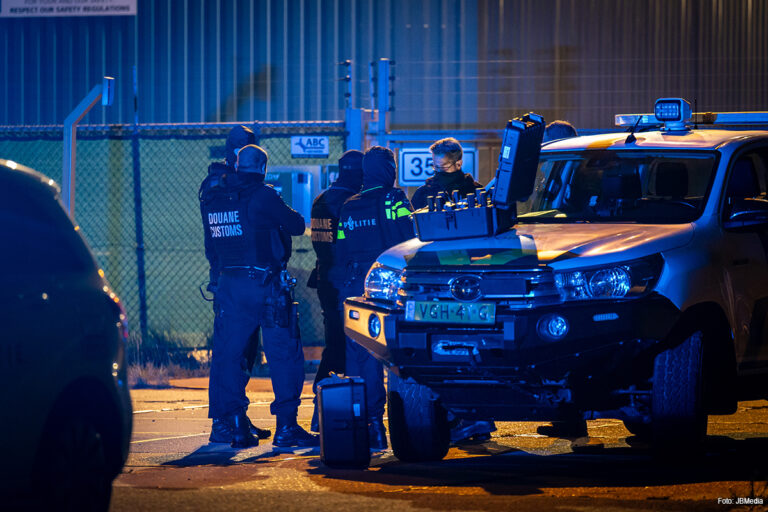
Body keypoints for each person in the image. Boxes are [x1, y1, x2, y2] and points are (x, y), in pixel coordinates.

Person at [200, 144, 318, 449]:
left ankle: (236, 425)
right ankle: (287, 427)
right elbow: (295, 225)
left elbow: (211, 244)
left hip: (229, 285)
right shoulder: (263, 194)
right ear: (262, 168)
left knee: (229, 355)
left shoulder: (214, 197)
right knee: (284, 354)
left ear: (238, 164)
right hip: (265, 285)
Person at [335, 146, 415, 450]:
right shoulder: (394, 199)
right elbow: (409, 239)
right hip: (386, 285)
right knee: (397, 354)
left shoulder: (348, 205)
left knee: (358, 357)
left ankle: (367, 425)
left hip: (353, 284)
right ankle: (406, 424)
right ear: (389, 169)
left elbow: (341, 249)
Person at [200, 126, 272, 444]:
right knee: (230, 352)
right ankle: (224, 422)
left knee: (241, 352)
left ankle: (236, 416)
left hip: (234, 276)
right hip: (233, 276)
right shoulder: (223, 185)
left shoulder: (223, 184)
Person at [308, 150, 364, 415]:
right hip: (343, 280)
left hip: (324, 277)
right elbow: (348, 242)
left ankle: (323, 395)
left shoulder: (322, 198)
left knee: (334, 341)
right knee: (344, 345)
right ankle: (328, 399)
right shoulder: (348, 201)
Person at [411, 137, 482, 210]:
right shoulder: (423, 193)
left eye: (443, 167)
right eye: (435, 166)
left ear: (458, 164)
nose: (438, 171)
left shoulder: (476, 191)